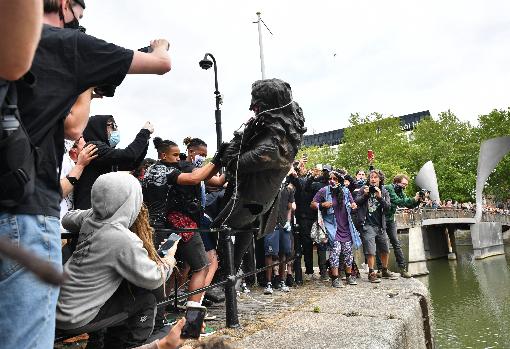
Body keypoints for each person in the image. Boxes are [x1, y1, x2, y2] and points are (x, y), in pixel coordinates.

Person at [0, 0, 172, 346]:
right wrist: (159, 46)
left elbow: (74, 216)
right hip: (27, 213)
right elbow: (161, 65)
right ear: (66, 5)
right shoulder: (71, 46)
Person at [56, 172, 176, 348]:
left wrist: (102, 209)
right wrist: (170, 259)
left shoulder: (91, 219)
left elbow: (67, 219)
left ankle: (98, 343)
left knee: (115, 296)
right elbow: (154, 278)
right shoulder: (122, 238)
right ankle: (127, 345)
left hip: (62, 305)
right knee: (145, 301)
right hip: (75, 316)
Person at [214, 78, 306, 274]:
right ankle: (225, 276)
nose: (251, 107)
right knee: (241, 233)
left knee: (216, 234)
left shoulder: (272, 146)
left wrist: (241, 134)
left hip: (244, 202)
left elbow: (232, 163)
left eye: (256, 103)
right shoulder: (283, 131)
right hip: (254, 200)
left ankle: (222, 279)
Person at [142, 137, 226, 308]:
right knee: (202, 266)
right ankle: (193, 316)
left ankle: (159, 314)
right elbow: (196, 178)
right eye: (174, 155)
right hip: (177, 226)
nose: (177, 158)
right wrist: (219, 158)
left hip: (156, 227)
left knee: (163, 267)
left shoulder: (151, 170)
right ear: (163, 155)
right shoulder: (168, 171)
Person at [73, 115, 154, 210]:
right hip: (88, 211)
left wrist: (145, 140)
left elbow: (132, 164)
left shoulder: (105, 153)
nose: (115, 130)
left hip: (96, 211)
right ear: (98, 128)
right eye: (112, 126)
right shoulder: (93, 147)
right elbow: (129, 155)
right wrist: (144, 133)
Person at [311, 171, 360, 287]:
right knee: (335, 252)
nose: (332, 180)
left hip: (345, 226)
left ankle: (349, 276)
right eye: (330, 178)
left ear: (340, 180)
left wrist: (354, 206)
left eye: (335, 179)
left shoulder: (346, 191)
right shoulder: (324, 190)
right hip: (332, 226)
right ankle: (335, 278)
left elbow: (353, 204)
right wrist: (322, 205)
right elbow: (313, 203)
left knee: (348, 253)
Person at [379, 174, 421, 278]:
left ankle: (403, 269)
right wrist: (413, 198)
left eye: (406, 185)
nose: (404, 186)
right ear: (396, 182)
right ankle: (381, 269)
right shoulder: (389, 188)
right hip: (381, 219)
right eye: (403, 184)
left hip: (390, 220)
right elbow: (397, 201)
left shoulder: (400, 191)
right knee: (382, 244)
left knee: (396, 243)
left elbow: (407, 204)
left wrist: (418, 200)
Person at [355, 169, 391, 283]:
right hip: (367, 224)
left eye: (375, 177)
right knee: (371, 250)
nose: (373, 180)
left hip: (380, 225)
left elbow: (388, 207)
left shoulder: (384, 191)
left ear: (380, 179)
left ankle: (384, 270)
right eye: (371, 177)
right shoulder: (363, 189)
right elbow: (356, 202)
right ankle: (371, 272)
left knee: (385, 248)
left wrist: (380, 197)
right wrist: (366, 195)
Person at [263, 180, 295, 294]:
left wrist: (288, 221)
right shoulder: (269, 185)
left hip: (284, 225)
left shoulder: (288, 189)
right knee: (270, 253)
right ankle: (268, 283)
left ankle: (282, 281)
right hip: (271, 225)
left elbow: (289, 207)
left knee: (284, 252)